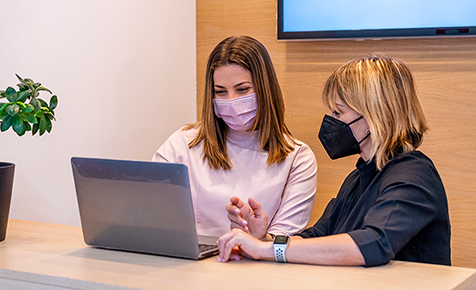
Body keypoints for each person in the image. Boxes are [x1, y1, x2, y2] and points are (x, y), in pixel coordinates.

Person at [216, 53, 451, 267]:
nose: (330, 120)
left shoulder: (414, 174)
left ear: (374, 117)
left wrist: (266, 250)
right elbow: (318, 236)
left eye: (338, 112)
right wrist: (265, 237)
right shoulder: (360, 176)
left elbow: (372, 244)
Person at [152, 36, 317, 239]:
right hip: (188, 264)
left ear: (265, 88)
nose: (231, 101)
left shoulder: (297, 157)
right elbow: (150, 210)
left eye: (242, 90)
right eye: (220, 92)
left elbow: (281, 243)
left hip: (254, 267)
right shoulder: (183, 143)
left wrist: (261, 238)